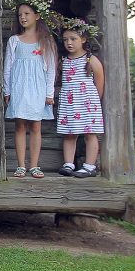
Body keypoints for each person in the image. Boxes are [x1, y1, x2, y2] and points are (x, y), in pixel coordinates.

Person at [4, 0, 58, 178]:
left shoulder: (46, 40)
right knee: (20, 125)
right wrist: (7, 91)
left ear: (37, 15)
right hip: (19, 86)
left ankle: (34, 165)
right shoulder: (14, 41)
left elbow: (51, 67)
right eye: (20, 15)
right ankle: (20, 165)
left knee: (35, 125)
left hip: (38, 87)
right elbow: (8, 67)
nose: (23, 17)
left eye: (27, 13)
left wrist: (49, 93)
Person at [56, 18, 104, 178]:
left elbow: (99, 83)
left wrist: (95, 102)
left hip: (87, 104)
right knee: (69, 134)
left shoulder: (90, 60)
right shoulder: (64, 61)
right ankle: (68, 163)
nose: (69, 43)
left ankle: (89, 166)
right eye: (65, 39)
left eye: (73, 39)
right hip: (70, 104)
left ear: (83, 39)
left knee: (90, 134)